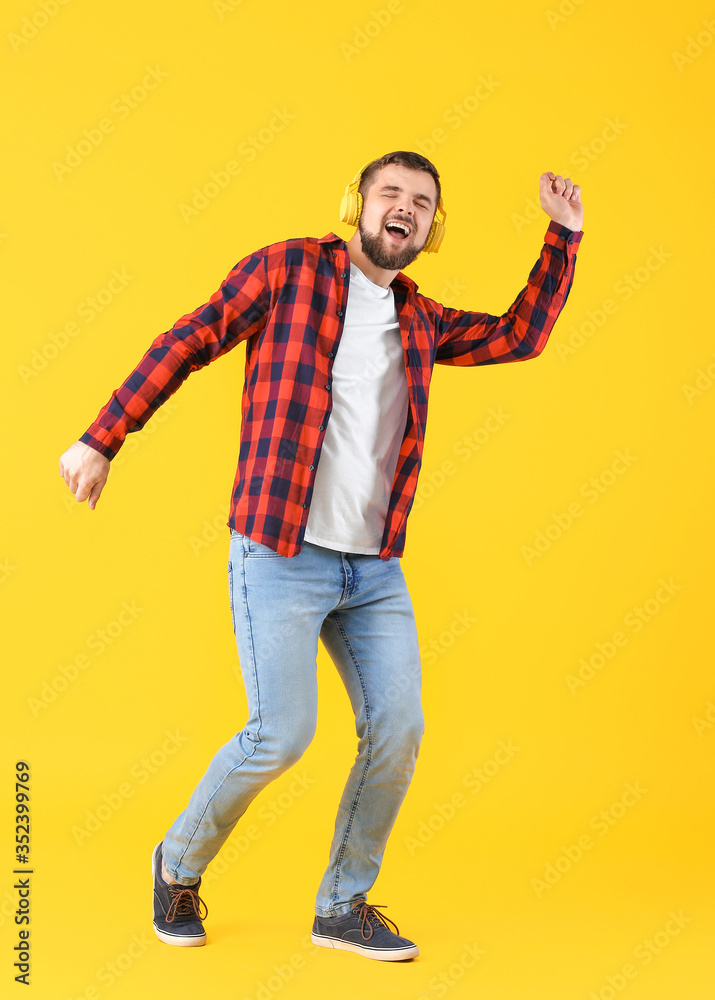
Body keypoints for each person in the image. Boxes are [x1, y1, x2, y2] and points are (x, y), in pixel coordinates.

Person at [58, 151, 584, 962]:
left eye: (421, 202)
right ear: (357, 204)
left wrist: (563, 236)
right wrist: (103, 437)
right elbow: (189, 338)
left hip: (372, 569)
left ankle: (342, 904)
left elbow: (520, 336)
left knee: (398, 729)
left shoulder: (422, 320)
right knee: (281, 733)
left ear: (431, 228)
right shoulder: (287, 271)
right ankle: (178, 862)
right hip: (278, 550)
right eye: (390, 194)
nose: (403, 208)